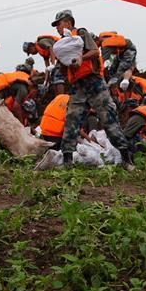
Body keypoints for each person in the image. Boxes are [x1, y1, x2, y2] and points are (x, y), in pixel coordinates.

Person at [51, 9, 135, 171]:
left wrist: (81, 58)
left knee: (108, 118)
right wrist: (64, 63)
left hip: (94, 83)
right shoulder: (61, 46)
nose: (57, 28)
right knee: (71, 120)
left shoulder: (80, 34)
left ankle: (126, 158)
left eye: (59, 24)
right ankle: (67, 161)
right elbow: (63, 70)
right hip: (77, 86)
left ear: (68, 22)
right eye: (56, 25)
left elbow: (95, 51)